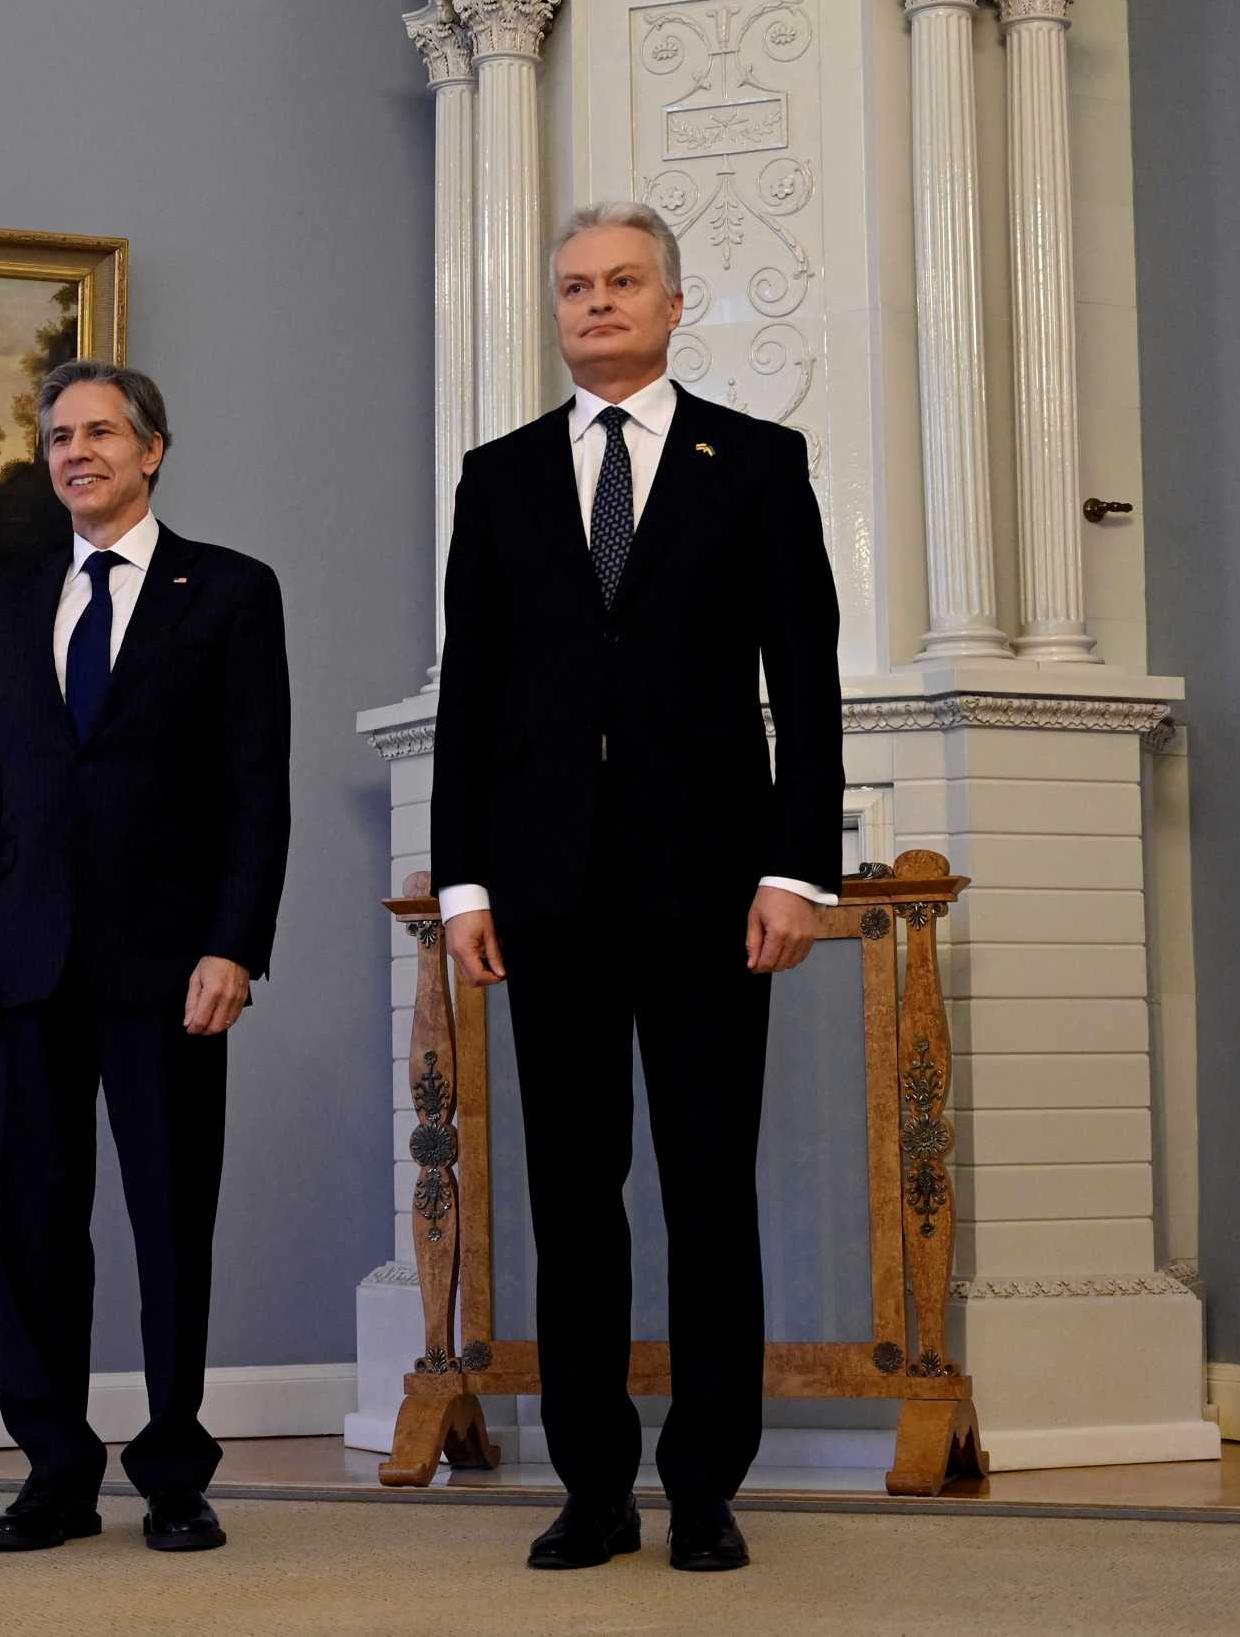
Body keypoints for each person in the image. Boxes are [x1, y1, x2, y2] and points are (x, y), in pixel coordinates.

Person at [431, 203, 842, 1572]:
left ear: (674, 303)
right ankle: (592, 1485)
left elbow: (809, 681)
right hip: (545, 893)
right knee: (571, 1189)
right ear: (554, 313)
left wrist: (798, 866)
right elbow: (469, 695)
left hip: (716, 885)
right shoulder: (497, 479)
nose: (596, 304)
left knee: (709, 1185)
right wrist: (463, 882)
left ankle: (707, 1484)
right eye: (573, 288)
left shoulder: (760, 464)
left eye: (621, 283)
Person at [0, 359, 291, 1555]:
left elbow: (256, 791)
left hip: (169, 967)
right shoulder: (9, 596)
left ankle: (176, 1469)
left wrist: (234, 944)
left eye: (98, 432)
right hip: (26, 963)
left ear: (152, 449)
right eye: (56, 437)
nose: (74, 452)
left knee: (169, 1221)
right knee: (34, 1223)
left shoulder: (232, 592)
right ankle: (54, 1467)